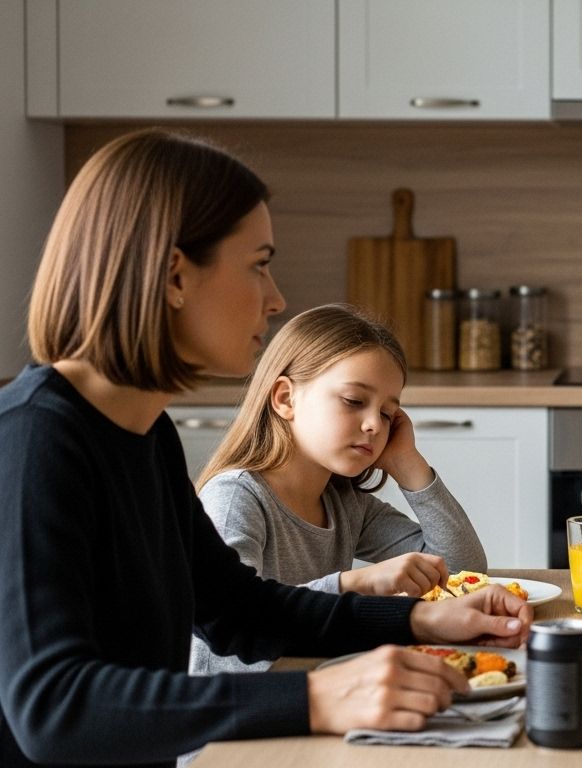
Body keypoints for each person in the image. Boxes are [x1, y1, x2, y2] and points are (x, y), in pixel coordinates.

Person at [0, 129, 530, 768]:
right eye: (258, 264)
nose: (275, 298)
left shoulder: (145, 435)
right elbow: (55, 709)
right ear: (174, 275)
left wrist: (419, 622)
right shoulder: (34, 440)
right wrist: (315, 697)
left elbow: (238, 609)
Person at [189, 303, 488, 677]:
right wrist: (353, 584)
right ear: (285, 398)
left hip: (321, 688)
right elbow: (228, 639)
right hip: (245, 716)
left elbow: (464, 571)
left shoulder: (345, 505)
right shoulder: (236, 498)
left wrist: (407, 462)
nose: (373, 426)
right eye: (354, 401)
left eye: (386, 413)